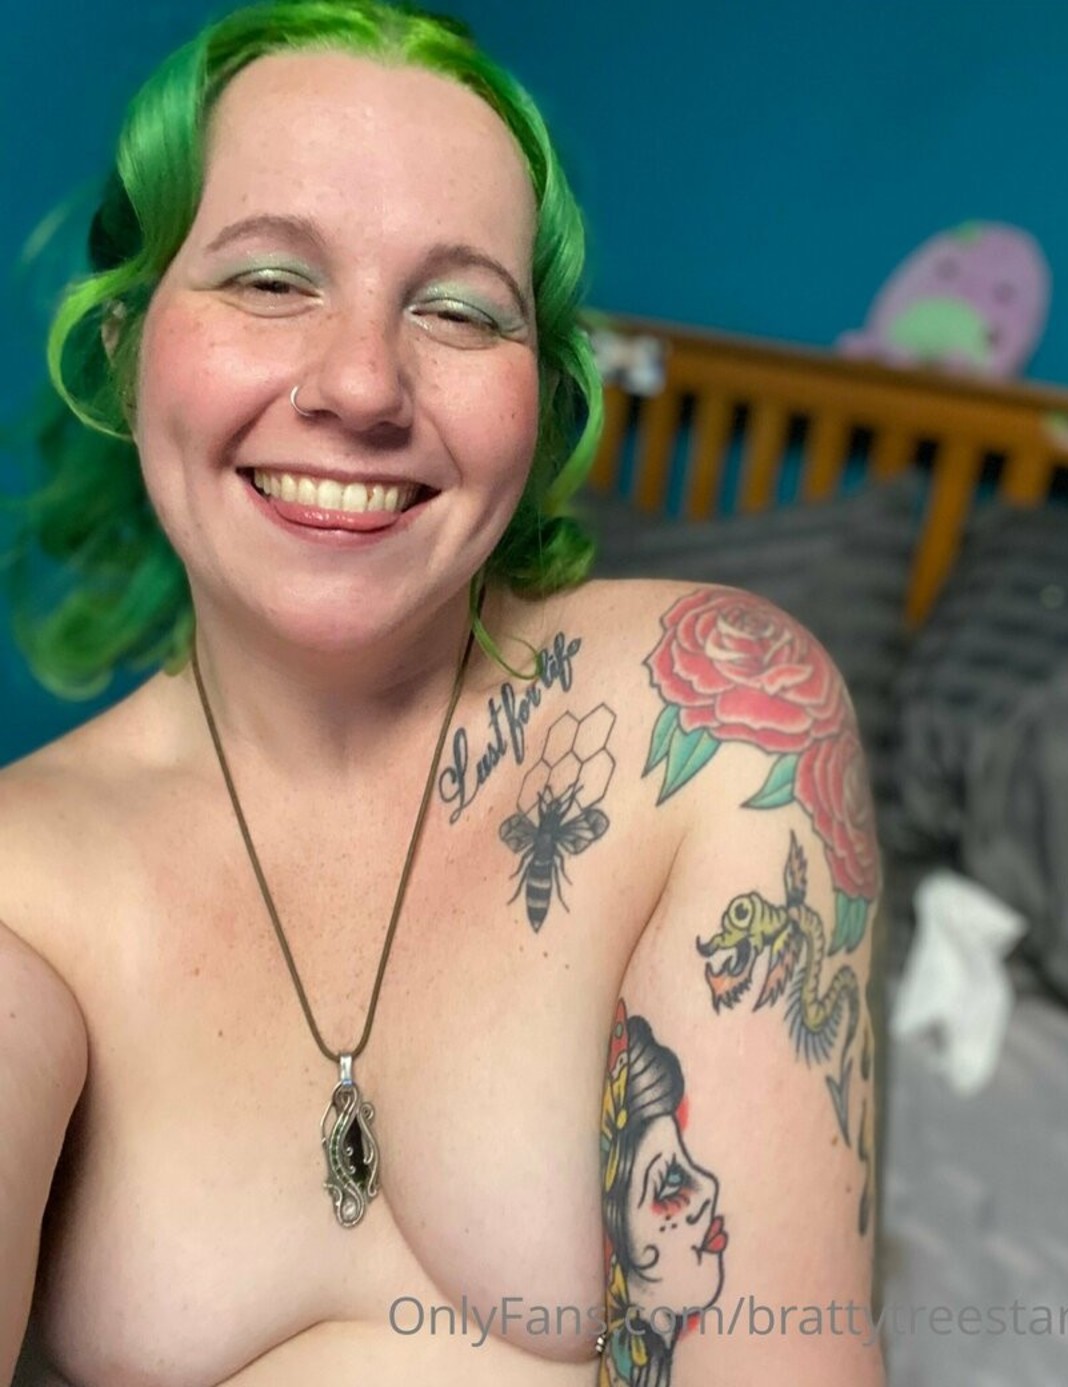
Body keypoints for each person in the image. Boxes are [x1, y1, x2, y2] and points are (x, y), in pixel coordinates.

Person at [0, 3, 886, 1384]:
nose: (363, 384)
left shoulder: (708, 723)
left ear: (540, 398)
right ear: (124, 343)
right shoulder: (25, 891)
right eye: (270, 280)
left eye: (461, 309)